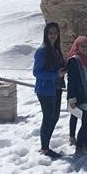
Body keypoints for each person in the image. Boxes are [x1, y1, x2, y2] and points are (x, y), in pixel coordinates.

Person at [33, 22, 66, 158]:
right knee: (48, 118)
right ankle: (44, 148)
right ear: (46, 34)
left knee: (55, 116)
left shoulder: (55, 49)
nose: (53, 35)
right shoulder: (42, 50)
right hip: (46, 90)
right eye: (50, 33)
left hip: (56, 87)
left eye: (55, 33)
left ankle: (46, 144)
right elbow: (36, 72)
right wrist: (55, 75)